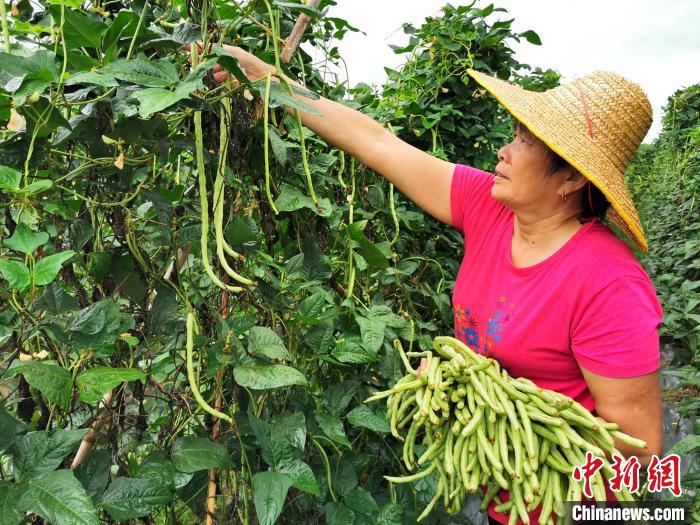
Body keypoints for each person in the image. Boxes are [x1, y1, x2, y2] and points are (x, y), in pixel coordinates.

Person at [201, 44, 664, 524]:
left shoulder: (608, 283)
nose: (503, 150)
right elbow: (378, 142)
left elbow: (641, 453)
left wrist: (490, 406)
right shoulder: (489, 208)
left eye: (525, 141)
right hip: (501, 501)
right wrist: (271, 83)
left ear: (569, 176)